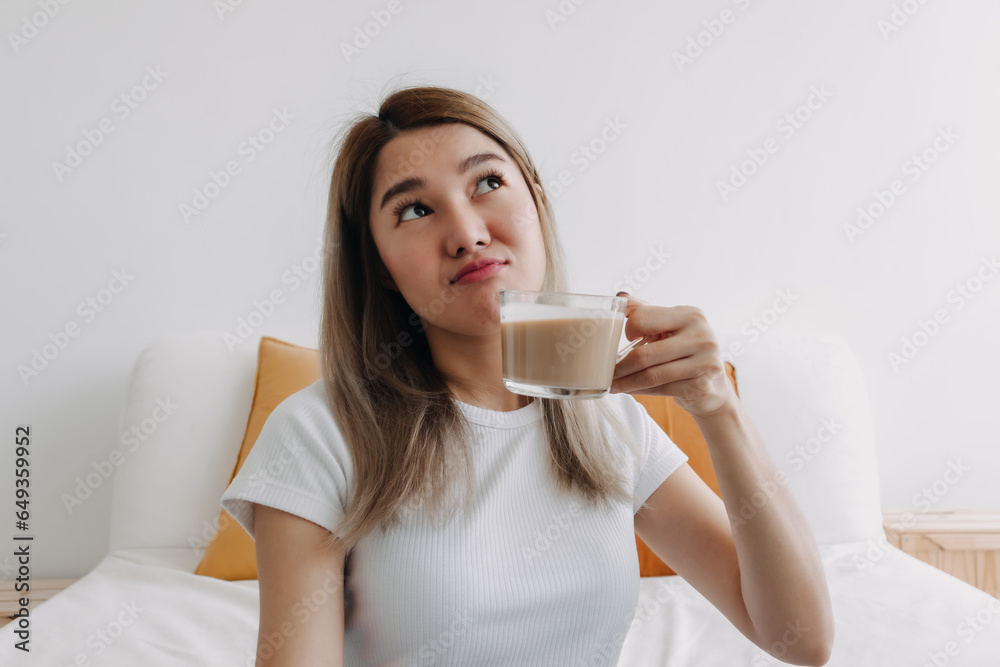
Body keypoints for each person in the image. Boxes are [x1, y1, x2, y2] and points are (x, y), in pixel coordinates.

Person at [220, 85, 835, 666]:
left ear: (536, 199)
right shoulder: (319, 435)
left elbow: (800, 639)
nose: (466, 233)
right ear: (378, 265)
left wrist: (719, 408)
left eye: (487, 182)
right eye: (414, 210)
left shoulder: (607, 423)